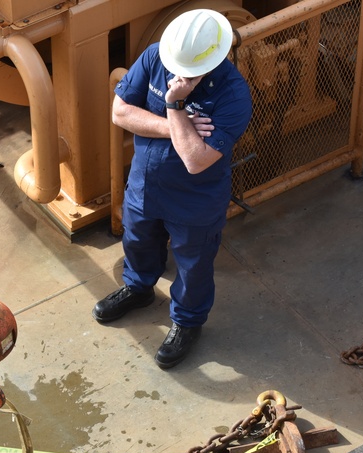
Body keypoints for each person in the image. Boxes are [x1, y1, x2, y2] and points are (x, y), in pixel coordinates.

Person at [93, 9, 253, 369]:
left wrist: (175, 104)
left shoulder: (234, 97)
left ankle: (187, 320)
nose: (177, 74)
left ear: (212, 62)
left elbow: (195, 159)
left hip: (195, 201)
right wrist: (174, 122)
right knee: (136, 240)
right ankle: (138, 288)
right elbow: (120, 112)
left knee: (193, 265)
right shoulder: (156, 55)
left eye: (188, 70)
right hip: (145, 185)